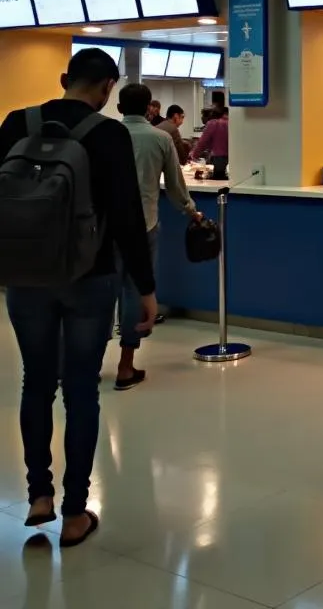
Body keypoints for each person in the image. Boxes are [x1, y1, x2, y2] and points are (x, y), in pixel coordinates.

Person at [0, 48, 155, 547]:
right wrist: (145, 288)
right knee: (81, 389)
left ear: (64, 78)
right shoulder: (107, 134)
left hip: (25, 277)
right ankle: (73, 512)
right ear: (108, 87)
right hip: (90, 278)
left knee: (35, 383)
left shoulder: (15, 123)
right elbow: (128, 217)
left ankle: (39, 494)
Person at [116, 84, 201, 389]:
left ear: (118, 106)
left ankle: (84, 364)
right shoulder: (160, 138)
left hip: (103, 227)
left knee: (98, 293)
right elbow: (176, 187)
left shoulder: (105, 134)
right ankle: (125, 367)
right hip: (144, 224)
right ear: (150, 110)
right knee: (134, 293)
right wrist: (191, 212)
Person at [194, 106, 229, 180]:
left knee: (217, 181)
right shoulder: (228, 122)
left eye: (203, 115)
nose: (202, 118)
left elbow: (202, 142)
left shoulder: (212, 123)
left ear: (209, 115)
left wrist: (193, 156)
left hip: (219, 158)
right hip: (230, 158)